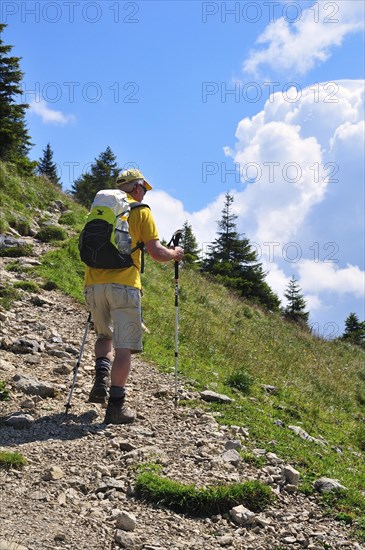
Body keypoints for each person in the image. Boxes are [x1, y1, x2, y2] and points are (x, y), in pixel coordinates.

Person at [84, 168, 184, 424]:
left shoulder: (100, 210)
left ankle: (100, 380)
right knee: (124, 346)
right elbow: (156, 253)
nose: (144, 193)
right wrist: (175, 254)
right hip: (125, 285)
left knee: (103, 335)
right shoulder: (141, 211)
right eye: (144, 188)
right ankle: (116, 406)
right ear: (137, 188)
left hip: (94, 283)